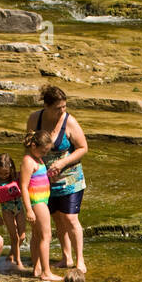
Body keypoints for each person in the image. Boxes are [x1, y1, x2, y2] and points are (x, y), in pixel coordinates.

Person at [26, 85, 88, 272]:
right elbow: (29, 145)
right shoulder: (34, 119)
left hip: (70, 178)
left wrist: (62, 163)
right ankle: (66, 257)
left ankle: (80, 261)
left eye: (64, 106)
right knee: (57, 218)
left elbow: (83, 148)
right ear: (46, 105)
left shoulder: (69, 122)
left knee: (70, 218)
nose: (62, 110)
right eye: (58, 107)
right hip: (43, 181)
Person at [20, 130, 62, 282]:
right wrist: (29, 209)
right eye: (43, 150)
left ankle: (37, 267)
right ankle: (46, 271)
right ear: (33, 145)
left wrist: (50, 176)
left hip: (42, 200)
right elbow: (23, 186)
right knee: (46, 236)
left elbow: (37, 178)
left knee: (37, 236)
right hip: (37, 201)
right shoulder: (28, 161)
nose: (45, 153)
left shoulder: (38, 159)